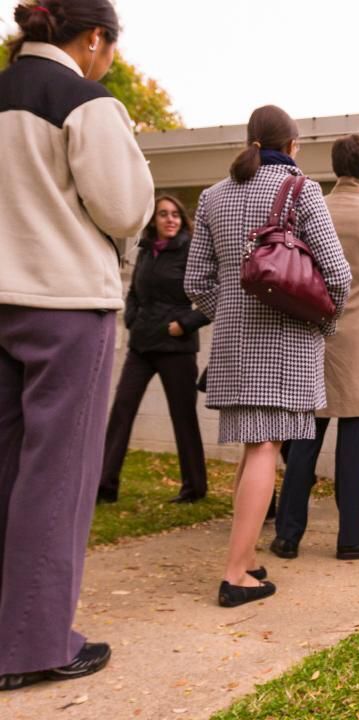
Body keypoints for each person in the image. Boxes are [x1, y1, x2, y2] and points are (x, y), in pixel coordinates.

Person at [0, 0, 154, 690]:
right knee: (57, 478)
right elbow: (123, 208)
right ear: (94, 38)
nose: (110, 60)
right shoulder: (83, 100)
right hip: (64, 302)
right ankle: (34, 644)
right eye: (111, 48)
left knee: (6, 473)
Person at [185, 105, 351, 607]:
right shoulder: (302, 191)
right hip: (285, 342)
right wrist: (322, 323)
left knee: (251, 446)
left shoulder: (212, 196)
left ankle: (247, 553)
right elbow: (338, 276)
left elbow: (196, 282)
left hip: (234, 346)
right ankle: (236, 574)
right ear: (293, 145)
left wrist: (232, 312)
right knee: (264, 448)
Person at [271, 134, 359, 561]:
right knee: (355, 444)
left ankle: (287, 534)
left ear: (335, 167)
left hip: (312, 336)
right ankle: (352, 535)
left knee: (304, 442)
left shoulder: (309, 210)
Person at [98, 196, 210, 505]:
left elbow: (215, 294)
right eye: (163, 214)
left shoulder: (191, 251)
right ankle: (105, 486)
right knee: (122, 410)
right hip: (142, 345)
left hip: (176, 347)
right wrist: (132, 317)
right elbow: (134, 291)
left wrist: (184, 324)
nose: (170, 219)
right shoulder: (146, 250)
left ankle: (194, 487)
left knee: (183, 416)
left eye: (175, 214)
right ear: (154, 221)